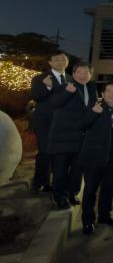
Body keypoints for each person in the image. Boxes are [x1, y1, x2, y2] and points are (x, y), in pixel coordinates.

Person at [78, 83, 113, 235]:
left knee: (108, 188)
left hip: (112, 157)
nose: (112, 94)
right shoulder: (95, 106)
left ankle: (104, 216)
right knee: (90, 190)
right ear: (103, 94)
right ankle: (88, 222)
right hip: (94, 156)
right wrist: (93, 113)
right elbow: (81, 124)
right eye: (109, 91)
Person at [48, 62, 97, 209]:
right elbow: (54, 102)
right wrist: (67, 92)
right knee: (60, 171)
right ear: (73, 74)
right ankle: (60, 198)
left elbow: (90, 112)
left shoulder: (91, 89)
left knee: (77, 169)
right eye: (79, 72)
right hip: (63, 138)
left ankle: (72, 193)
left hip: (81, 138)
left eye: (86, 73)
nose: (82, 75)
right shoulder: (64, 86)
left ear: (91, 75)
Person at [30, 51, 71, 194]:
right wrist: (47, 87)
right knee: (45, 151)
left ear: (67, 62)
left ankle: (58, 182)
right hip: (44, 122)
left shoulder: (71, 79)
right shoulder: (40, 78)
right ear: (50, 63)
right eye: (56, 59)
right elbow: (36, 96)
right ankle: (41, 182)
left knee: (60, 153)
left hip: (64, 123)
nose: (60, 62)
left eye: (63, 59)